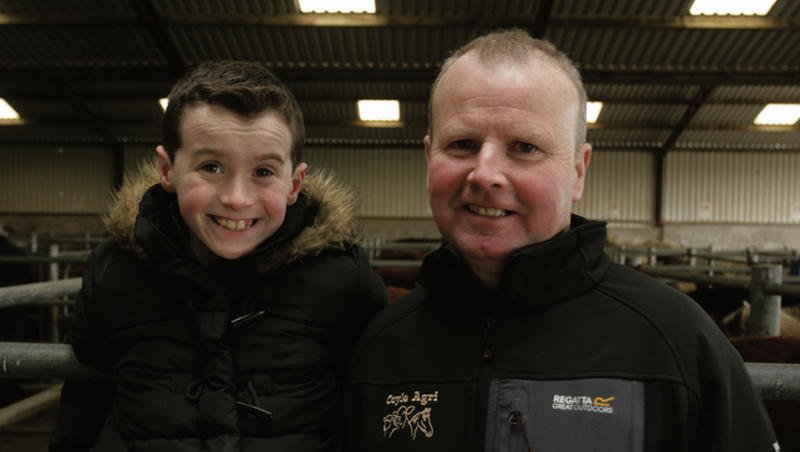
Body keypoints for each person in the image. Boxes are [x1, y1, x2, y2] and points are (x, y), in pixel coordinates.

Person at [345, 29, 779, 451]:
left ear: (577, 172)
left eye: (525, 147)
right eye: (462, 143)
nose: (485, 173)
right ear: (428, 157)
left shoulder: (678, 343)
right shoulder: (383, 349)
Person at [50, 60, 388, 452]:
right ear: (167, 170)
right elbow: (83, 405)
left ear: (294, 184)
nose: (237, 198)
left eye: (263, 171)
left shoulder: (342, 279)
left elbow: (374, 411)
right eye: (211, 167)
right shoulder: (116, 272)